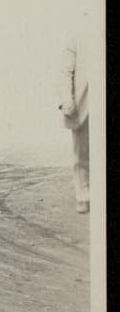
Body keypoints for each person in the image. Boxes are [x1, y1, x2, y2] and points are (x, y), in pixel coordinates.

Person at [59, 20, 91, 214]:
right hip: (84, 104)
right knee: (81, 152)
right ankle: (83, 196)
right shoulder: (78, 32)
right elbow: (65, 71)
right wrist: (67, 101)